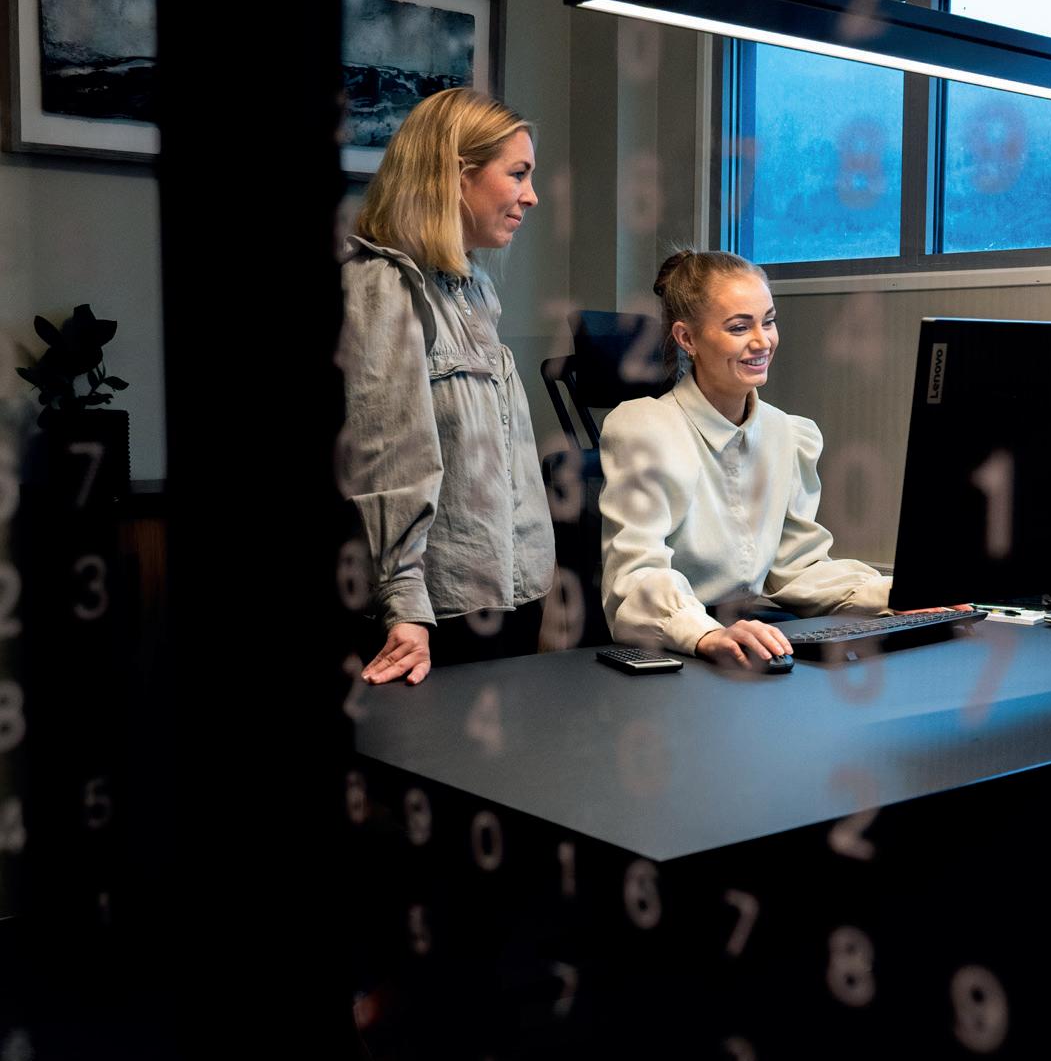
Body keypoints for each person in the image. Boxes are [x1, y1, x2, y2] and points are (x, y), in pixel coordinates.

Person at [337, 87, 555, 683]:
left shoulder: (474, 287)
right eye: (518, 174)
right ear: (458, 177)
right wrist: (404, 606)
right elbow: (387, 459)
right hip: (432, 618)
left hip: (509, 595)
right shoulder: (382, 284)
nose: (531, 195)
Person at [598, 249, 894, 664]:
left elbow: (797, 568)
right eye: (739, 327)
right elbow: (635, 575)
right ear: (687, 339)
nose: (762, 341)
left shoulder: (787, 433)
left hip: (751, 639)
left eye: (768, 321)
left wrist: (905, 595)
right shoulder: (645, 430)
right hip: (678, 645)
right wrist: (704, 633)